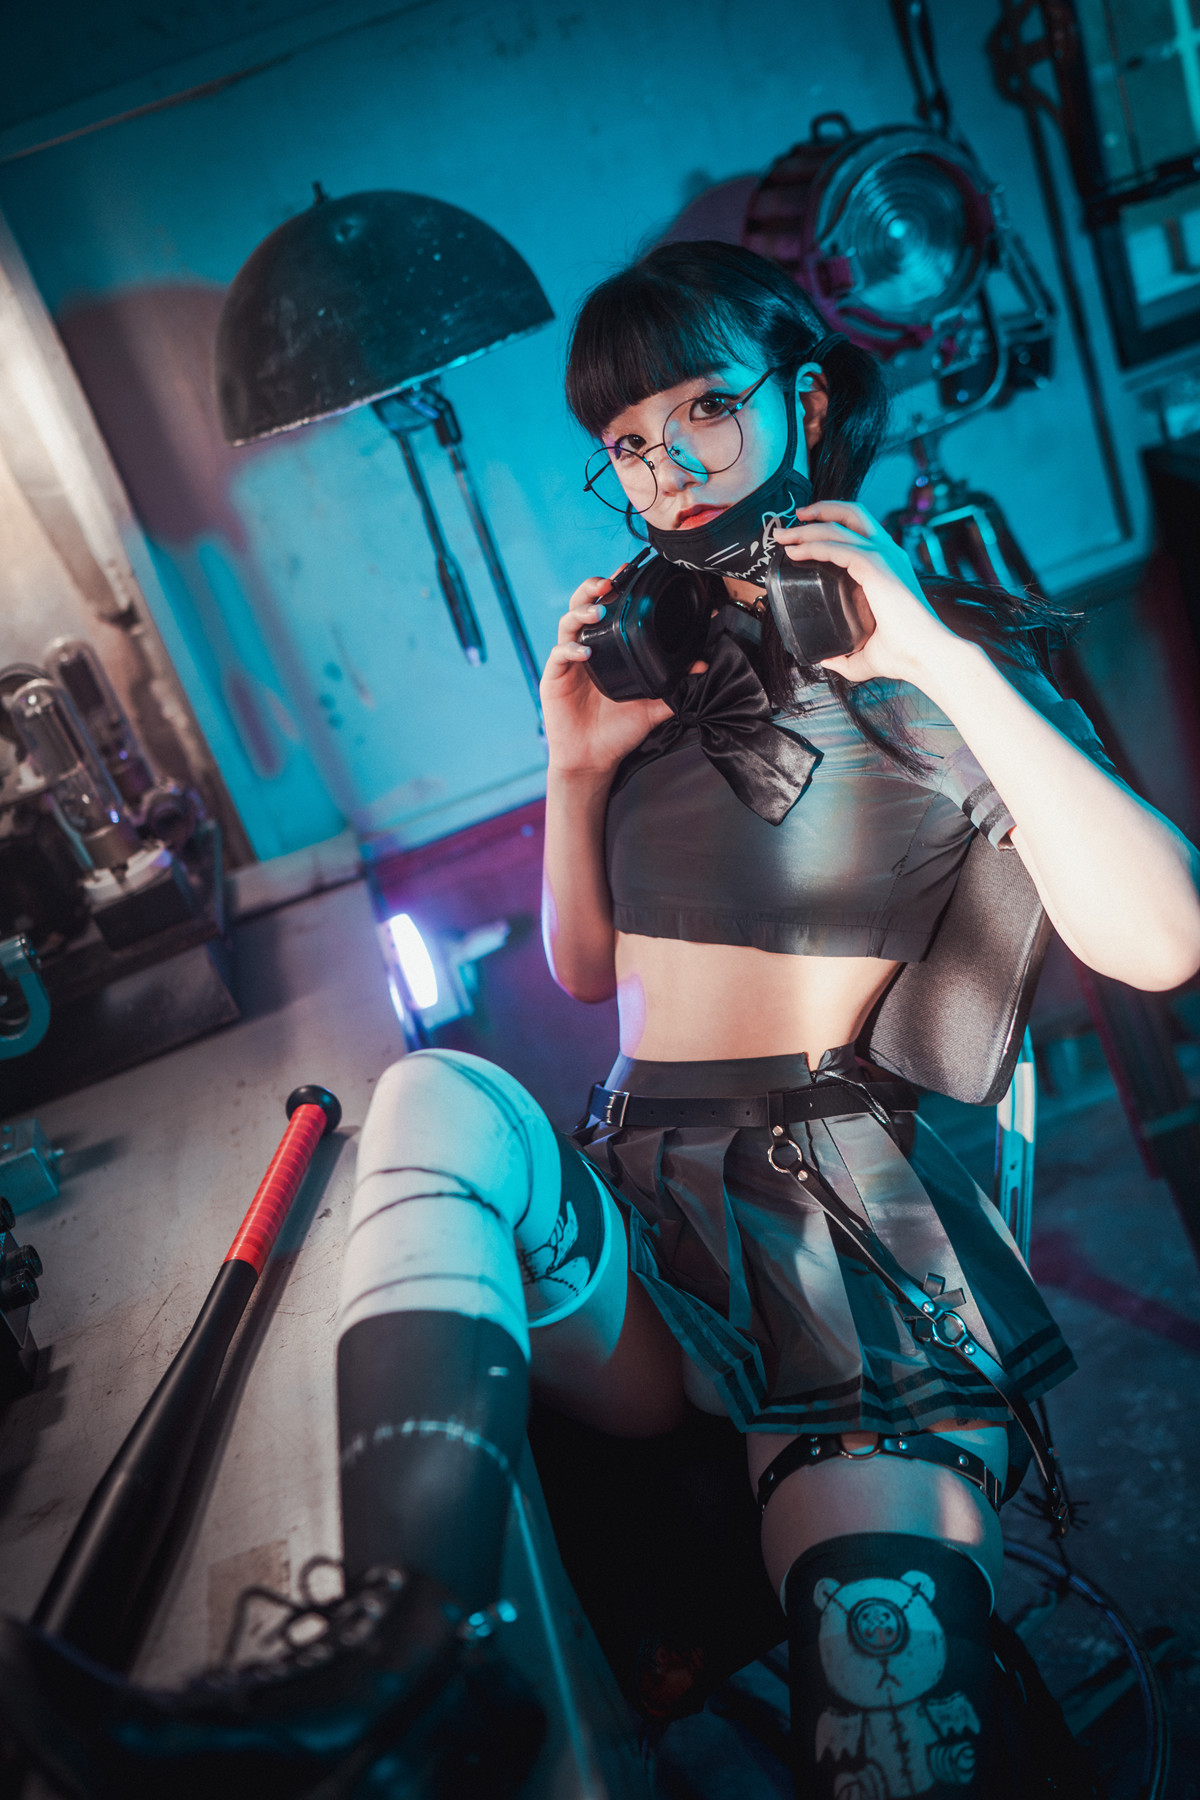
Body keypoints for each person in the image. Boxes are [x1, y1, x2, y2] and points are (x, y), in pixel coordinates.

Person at [4, 242, 1198, 1800]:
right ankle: (386, 1667)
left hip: (828, 1243)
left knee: (886, 1707)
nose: (668, 463)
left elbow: (1162, 940)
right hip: (638, 1222)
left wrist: (933, 650)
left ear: (804, 400)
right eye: (628, 441)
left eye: (705, 407)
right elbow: (584, 971)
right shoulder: (660, 670)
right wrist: (572, 766)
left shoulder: (924, 662)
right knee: (437, 1091)